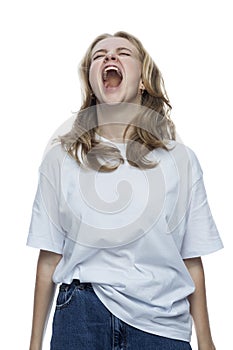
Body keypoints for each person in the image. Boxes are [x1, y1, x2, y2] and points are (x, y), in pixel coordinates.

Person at [27, 31, 223, 350]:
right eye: (99, 55)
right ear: (91, 81)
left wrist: (207, 341)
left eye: (123, 53)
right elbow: (49, 257)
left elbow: (191, 257)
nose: (110, 57)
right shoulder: (61, 159)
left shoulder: (180, 160)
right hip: (81, 318)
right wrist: (34, 344)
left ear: (143, 80)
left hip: (161, 325)